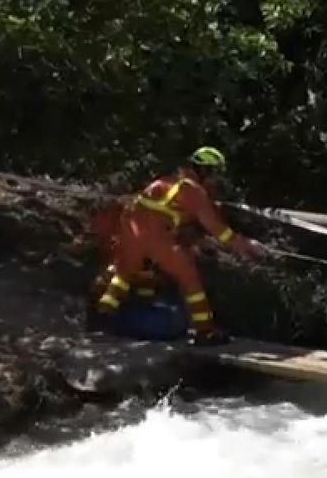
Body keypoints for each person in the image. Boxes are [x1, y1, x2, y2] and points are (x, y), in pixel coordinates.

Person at [95, 146, 267, 346]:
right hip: (155, 235)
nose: (216, 181)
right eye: (215, 175)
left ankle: (102, 317)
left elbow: (154, 210)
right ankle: (205, 331)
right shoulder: (193, 190)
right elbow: (217, 229)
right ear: (206, 170)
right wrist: (246, 245)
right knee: (189, 278)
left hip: (131, 228)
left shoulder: (166, 182)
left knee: (125, 272)